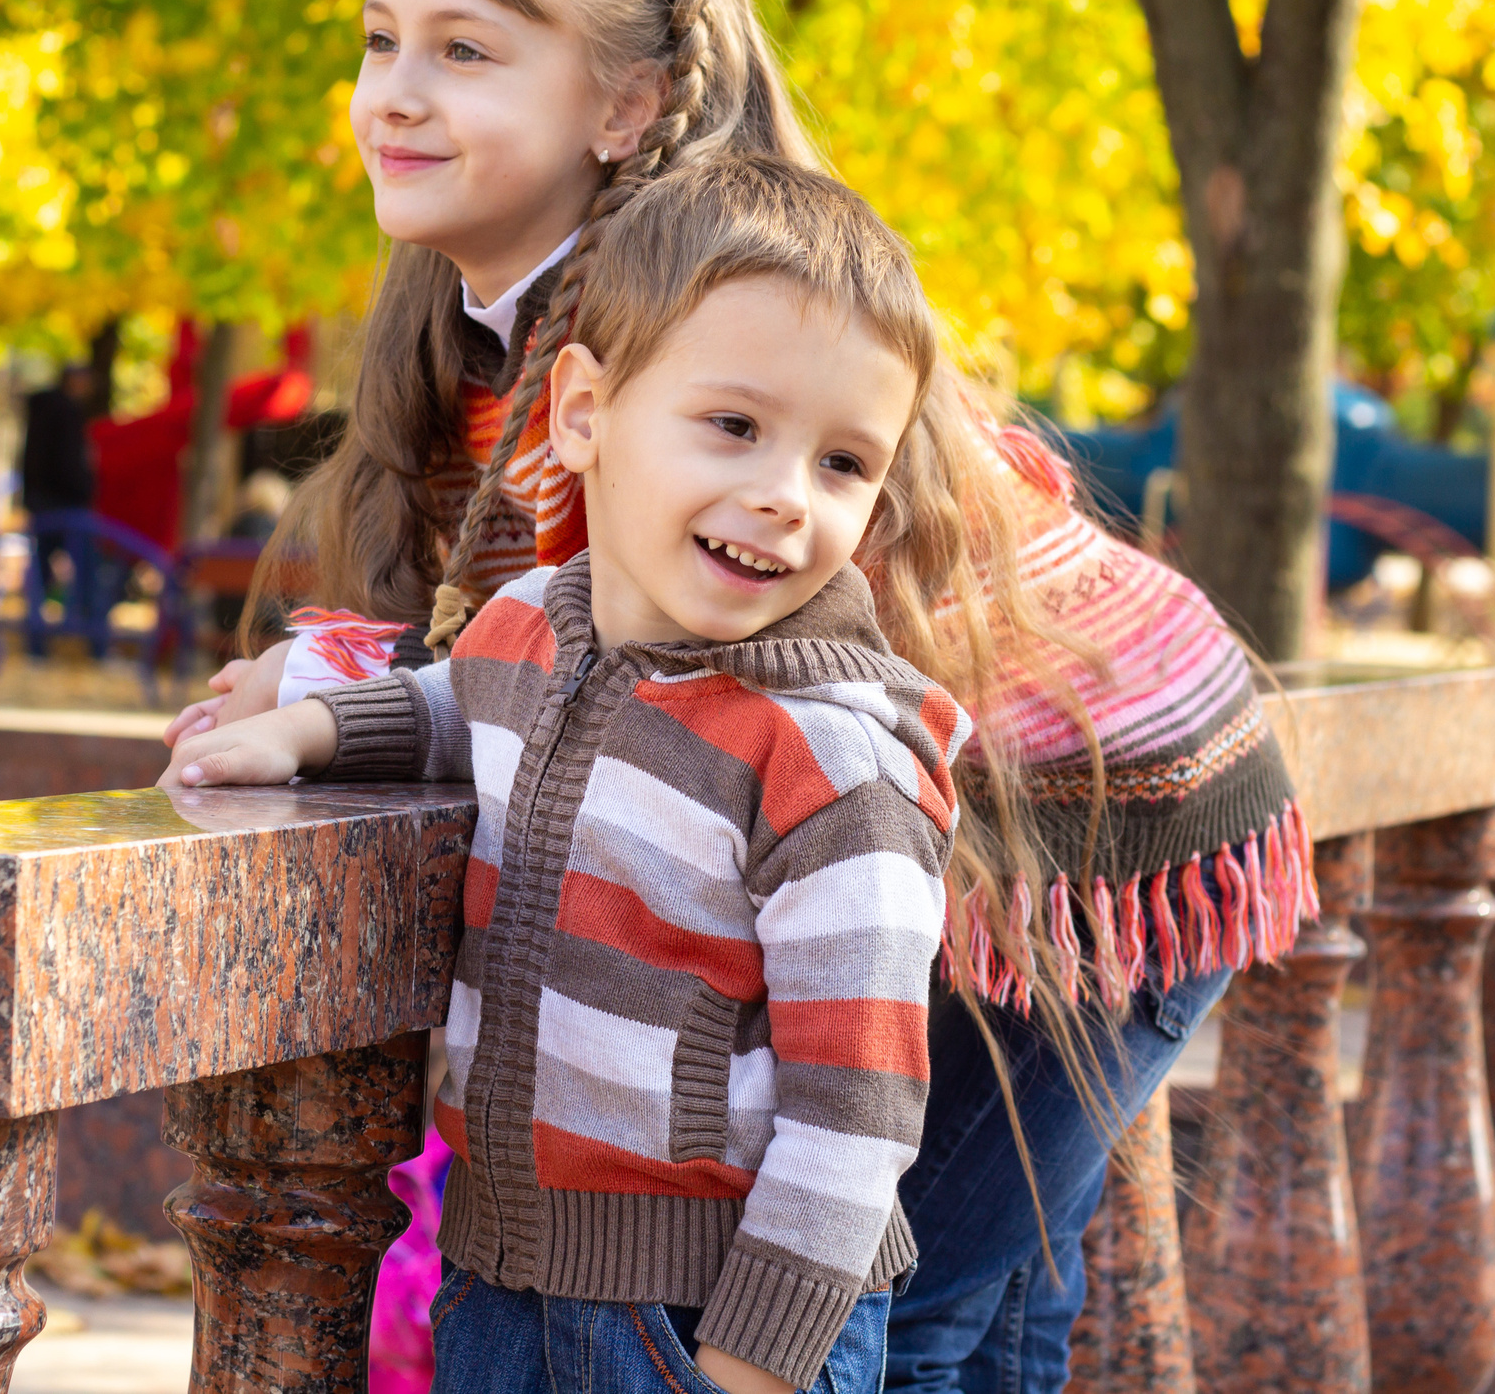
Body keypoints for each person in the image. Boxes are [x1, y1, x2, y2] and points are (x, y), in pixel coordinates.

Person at [162, 0, 1309, 1393]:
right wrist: (328, 686)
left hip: (1111, 802)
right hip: (899, 827)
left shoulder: (705, 329)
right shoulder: (534, 318)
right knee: (967, 1301)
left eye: (468, 52)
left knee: (908, 1307)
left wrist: (325, 688)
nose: (396, 94)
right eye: (382, 39)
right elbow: (518, 635)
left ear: (627, 102)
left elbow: (585, 633)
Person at [166, 159, 968, 1394]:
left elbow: (857, 1108)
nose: (781, 497)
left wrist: (753, 1359)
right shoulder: (537, 619)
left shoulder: (832, 765)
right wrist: (314, 733)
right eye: (735, 427)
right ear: (584, 414)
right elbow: (460, 705)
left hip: (706, 1314)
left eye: (844, 464)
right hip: (503, 1279)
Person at [21, 361, 105, 656]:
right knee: (85, 574)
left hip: (42, 503)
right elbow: (67, 463)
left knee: (41, 574)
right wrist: (84, 487)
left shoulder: (40, 410)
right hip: (66, 506)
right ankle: (96, 646)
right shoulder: (66, 412)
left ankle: (37, 644)